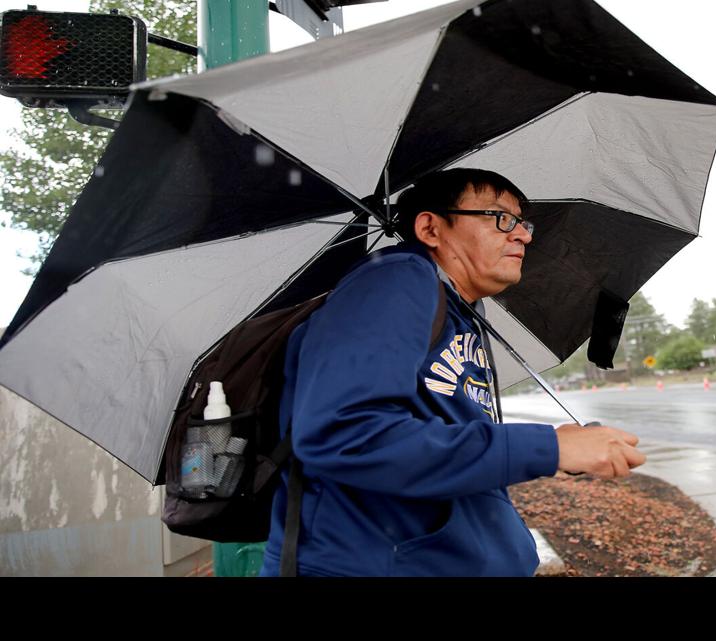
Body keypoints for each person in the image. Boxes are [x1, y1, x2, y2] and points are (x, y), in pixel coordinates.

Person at [259, 168, 645, 577]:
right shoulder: (395, 281)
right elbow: (343, 435)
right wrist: (547, 448)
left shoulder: (459, 310)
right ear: (430, 227)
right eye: (501, 218)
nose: (523, 235)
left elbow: (440, 441)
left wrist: (558, 448)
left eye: (522, 222)